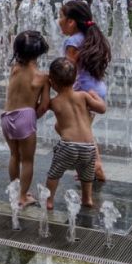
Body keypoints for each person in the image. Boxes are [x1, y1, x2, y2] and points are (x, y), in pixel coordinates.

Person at [58, 0, 112, 181]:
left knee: (71, 129)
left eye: (61, 17)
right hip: (97, 90)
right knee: (83, 130)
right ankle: (88, 166)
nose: (58, 21)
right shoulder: (91, 37)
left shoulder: (72, 42)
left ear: (71, 22)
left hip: (83, 93)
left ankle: (95, 165)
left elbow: (69, 72)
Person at [44, 57, 106, 210]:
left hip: (68, 146)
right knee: (86, 175)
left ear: (52, 81)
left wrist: (46, 87)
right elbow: (102, 109)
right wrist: (95, 95)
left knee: (54, 173)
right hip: (89, 147)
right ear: (75, 78)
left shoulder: (54, 102)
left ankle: (49, 201)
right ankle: (87, 199)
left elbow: (41, 106)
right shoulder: (83, 96)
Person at [2, 31, 50, 206]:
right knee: (28, 159)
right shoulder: (42, 77)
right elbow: (44, 106)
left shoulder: (14, 69)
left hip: (6, 117)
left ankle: (15, 192)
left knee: (14, 155)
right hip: (25, 116)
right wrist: (31, 116)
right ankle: (23, 196)